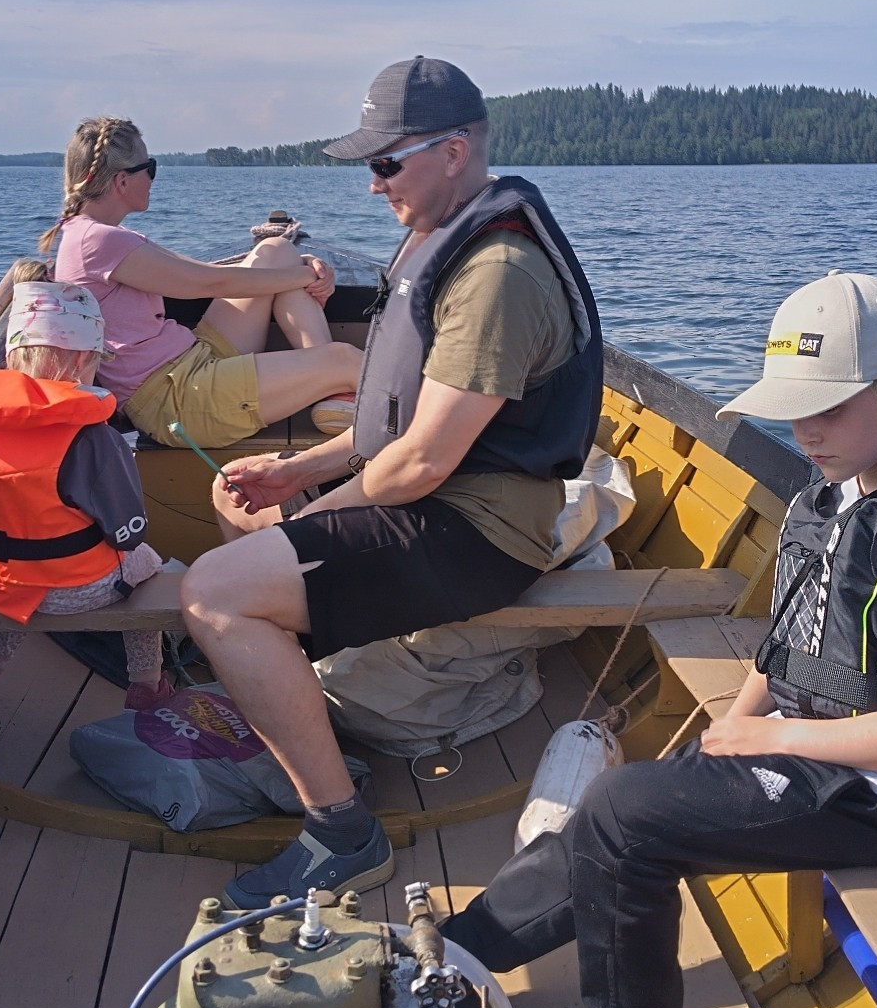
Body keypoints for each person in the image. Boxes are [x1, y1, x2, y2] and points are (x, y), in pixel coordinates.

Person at [440, 272, 877, 1008]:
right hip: (805, 746)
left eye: (827, 410)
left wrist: (773, 737)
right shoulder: (841, 486)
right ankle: (459, 953)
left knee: (624, 813)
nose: (805, 434)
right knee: (617, 814)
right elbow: (794, 641)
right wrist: (743, 721)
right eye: (792, 411)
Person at [179, 56, 604, 907]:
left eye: (385, 163)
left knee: (214, 592)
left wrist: (306, 522)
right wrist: (294, 471)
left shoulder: (498, 276)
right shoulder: (442, 240)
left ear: (454, 153)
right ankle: (304, 709)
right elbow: (398, 428)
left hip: (480, 533)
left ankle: (342, 833)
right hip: (439, 504)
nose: (372, 187)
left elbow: (423, 461)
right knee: (244, 527)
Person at [0, 274, 173, 708]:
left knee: (22, 578)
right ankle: (147, 681)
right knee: (147, 565)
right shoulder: (90, 436)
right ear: (85, 359)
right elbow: (127, 531)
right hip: (80, 588)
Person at [42, 117, 359, 449]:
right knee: (346, 358)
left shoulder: (96, 235)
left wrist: (297, 265)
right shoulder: (98, 240)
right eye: (149, 167)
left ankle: (336, 393)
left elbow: (196, 270)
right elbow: (207, 283)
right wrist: (309, 275)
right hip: (177, 401)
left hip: (188, 362)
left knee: (277, 250)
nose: (152, 178)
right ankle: (350, 381)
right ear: (122, 181)